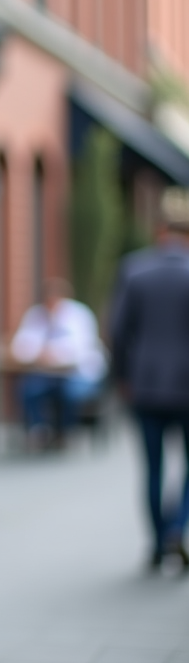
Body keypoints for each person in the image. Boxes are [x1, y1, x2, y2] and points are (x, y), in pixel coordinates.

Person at [110, 187, 189, 569]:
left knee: (152, 467)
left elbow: (117, 330)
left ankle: (158, 543)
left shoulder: (134, 269)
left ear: (160, 232)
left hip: (144, 383)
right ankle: (176, 528)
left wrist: (121, 376)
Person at [10, 277, 106, 449]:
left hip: (77, 373)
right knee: (28, 390)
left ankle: (64, 432)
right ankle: (40, 430)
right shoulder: (35, 315)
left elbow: (83, 347)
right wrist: (37, 353)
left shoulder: (79, 315)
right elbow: (21, 346)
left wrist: (54, 353)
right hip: (45, 374)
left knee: (70, 393)